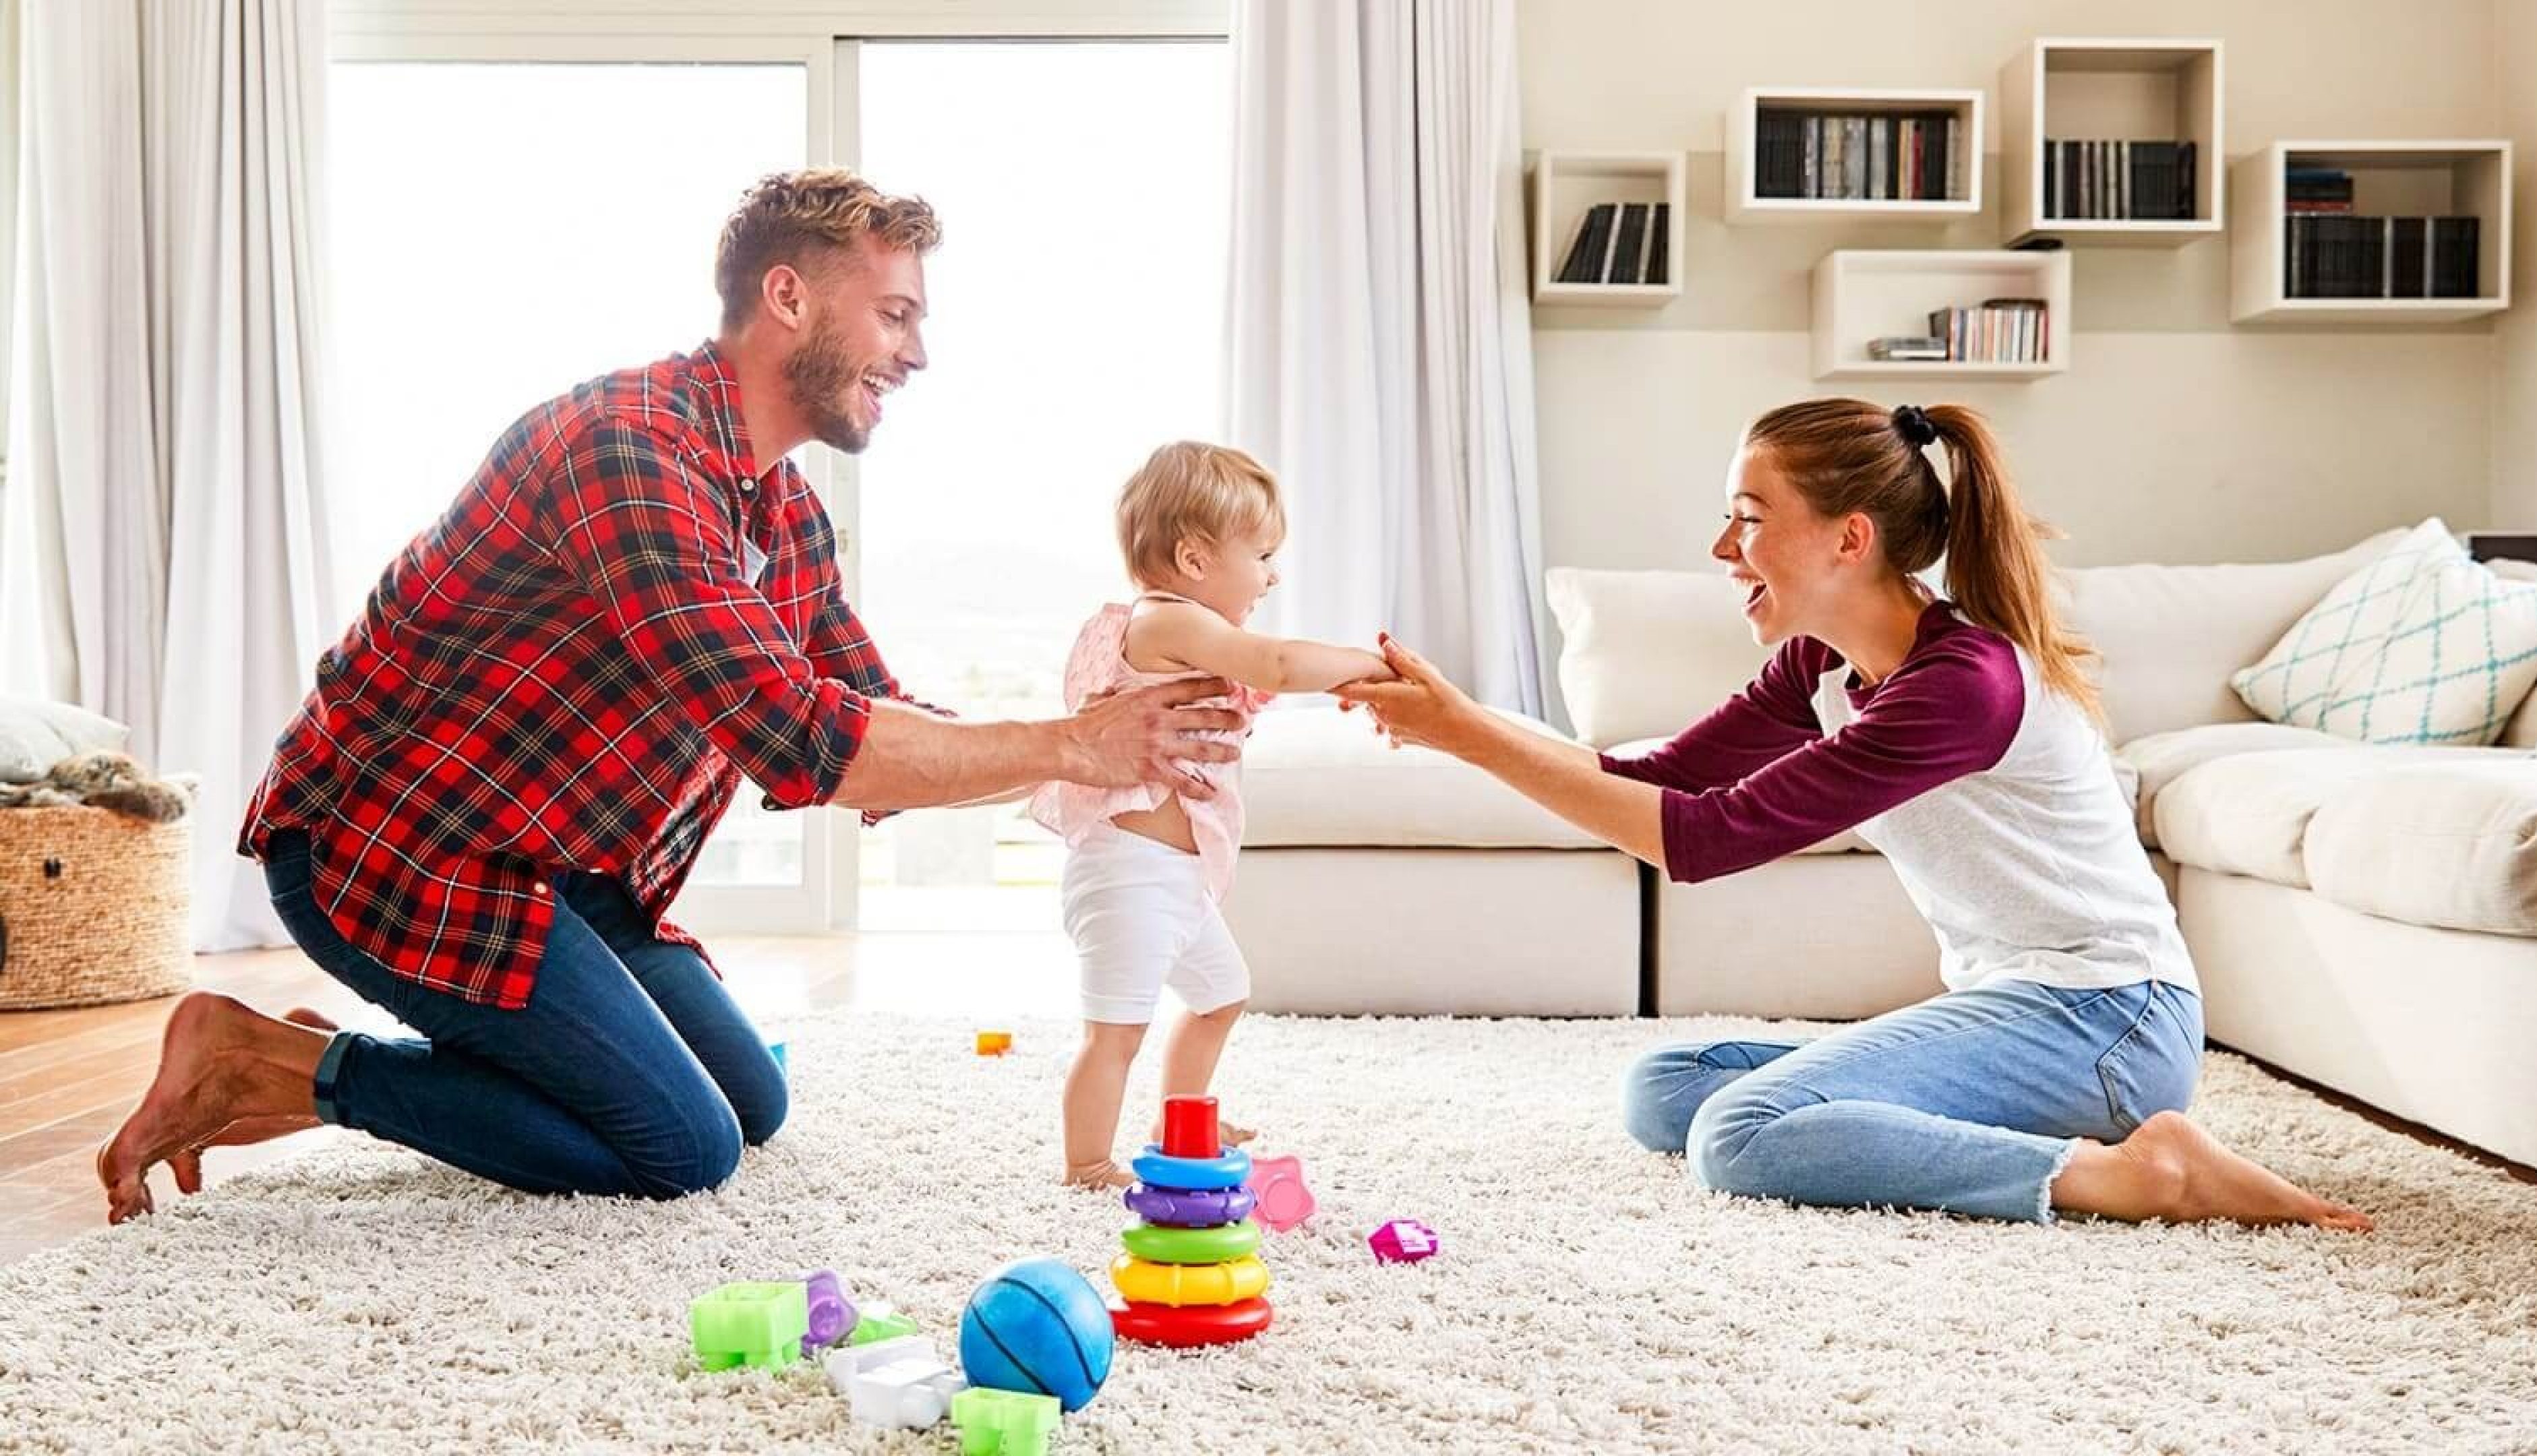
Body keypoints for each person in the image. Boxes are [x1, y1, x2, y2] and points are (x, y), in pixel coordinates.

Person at [96, 170, 1247, 1223]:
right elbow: (808, 747)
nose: (917, 354)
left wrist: (1100, 736)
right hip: (396, 853)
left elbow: (874, 719)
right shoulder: (629, 452)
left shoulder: (782, 512)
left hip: (566, 871)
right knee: (679, 1147)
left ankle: (421, 1061)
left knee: (752, 1104)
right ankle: (290, 1068)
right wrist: (1074, 746)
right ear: (787, 295)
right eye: (896, 315)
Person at [1338, 398, 2372, 1232]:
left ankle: (2137, 1175)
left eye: (1748, 517)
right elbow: (1661, 778)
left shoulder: (1963, 683)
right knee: (1667, 1089)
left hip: (2107, 1019)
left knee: (1739, 1135)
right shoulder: (1825, 664)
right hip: (2017, 1007)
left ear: (1850, 537)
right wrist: (1456, 723)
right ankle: (2045, 1139)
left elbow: (1702, 841)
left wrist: (1463, 733)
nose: (1721, 546)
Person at [1030, 442, 1392, 1189]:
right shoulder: (1166, 623)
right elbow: (1280, 666)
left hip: (1177, 878)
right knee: (1115, 1035)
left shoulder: (1180, 630)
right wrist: (1367, 663)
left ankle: (1180, 1117)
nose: (1273, 574)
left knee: (1221, 997)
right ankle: (1086, 1162)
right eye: (1262, 555)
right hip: (1129, 877)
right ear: (1194, 559)